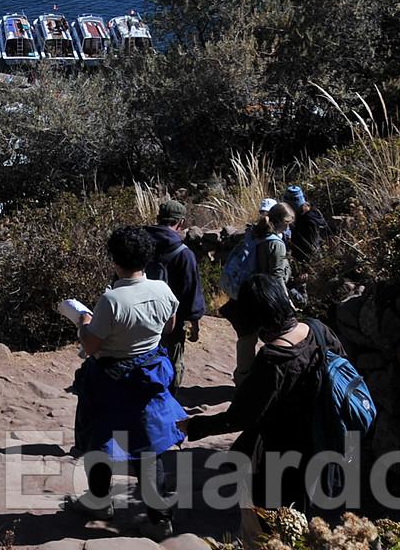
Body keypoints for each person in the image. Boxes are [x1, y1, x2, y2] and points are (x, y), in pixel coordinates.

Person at [183, 274, 346, 543]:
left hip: (282, 453)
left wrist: (195, 425)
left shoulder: (273, 360)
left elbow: (240, 417)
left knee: (266, 527)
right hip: (325, 439)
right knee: (307, 516)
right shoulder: (318, 329)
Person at [70, 225, 186, 537]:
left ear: (114, 260)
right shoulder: (163, 290)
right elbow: (170, 326)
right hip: (149, 376)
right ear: (147, 257)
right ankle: (160, 519)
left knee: (101, 438)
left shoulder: (112, 300)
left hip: (111, 379)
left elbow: (92, 346)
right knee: (150, 447)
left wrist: (83, 321)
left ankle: (98, 501)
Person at [228, 202, 294, 383]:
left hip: (246, 294)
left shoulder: (254, 233)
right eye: (287, 223)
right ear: (280, 221)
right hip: (266, 296)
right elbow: (277, 276)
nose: (288, 227)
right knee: (278, 338)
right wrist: (286, 302)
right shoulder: (276, 244)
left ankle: (242, 380)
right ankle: (270, 380)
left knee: (246, 340)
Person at [145, 200, 206, 387]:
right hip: (171, 321)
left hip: (139, 315)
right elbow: (191, 292)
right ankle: (169, 399)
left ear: (157, 218)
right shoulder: (184, 253)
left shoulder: (140, 243)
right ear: (181, 223)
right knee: (172, 363)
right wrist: (195, 325)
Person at [284, 186, 328, 265]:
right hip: (306, 258)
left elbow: (311, 246)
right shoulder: (311, 212)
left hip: (307, 261)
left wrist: (307, 266)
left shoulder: (308, 221)